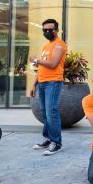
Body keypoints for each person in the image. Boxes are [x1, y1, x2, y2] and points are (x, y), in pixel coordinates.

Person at [30, 18, 66, 156]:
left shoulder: (59, 45)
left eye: (50, 30)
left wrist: (36, 60)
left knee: (52, 113)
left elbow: (53, 64)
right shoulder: (46, 46)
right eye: (44, 30)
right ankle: (48, 138)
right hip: (43, 83)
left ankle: (56, 143)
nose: (47, 32)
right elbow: (41, 68)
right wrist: (34, 84)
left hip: (53, 82)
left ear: (57, 30)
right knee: (45, 113)